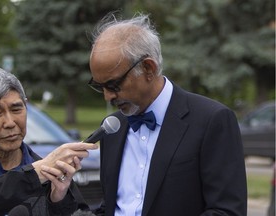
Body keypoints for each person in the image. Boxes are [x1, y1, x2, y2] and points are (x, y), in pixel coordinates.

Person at [88, 13, 247, 216]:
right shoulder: (112, 127)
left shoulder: (212, 120)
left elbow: (228, 211)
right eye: (99, 86)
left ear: (148, 69)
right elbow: (111, 207)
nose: (107, 96)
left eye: (113, 85)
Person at [0, 67, 98, 216]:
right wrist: (34, 175)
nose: (10, 122)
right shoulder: (42, 170)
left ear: (26, 106)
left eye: (16, 109)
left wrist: (58, 200)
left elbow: (80, 211)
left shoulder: (50, 171)